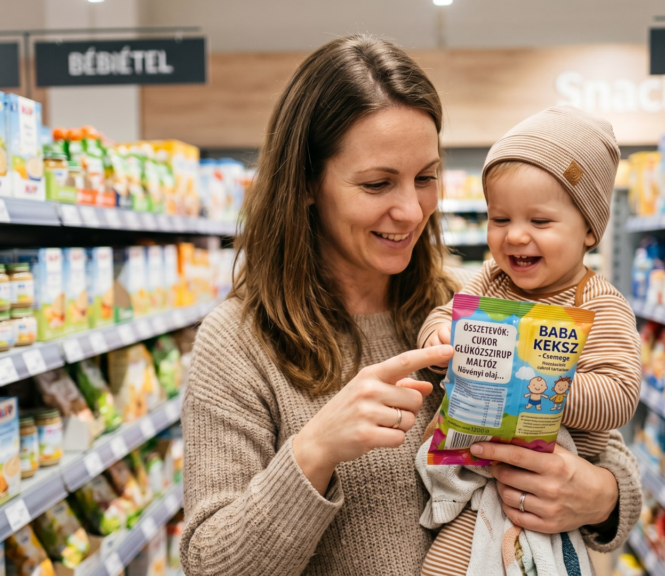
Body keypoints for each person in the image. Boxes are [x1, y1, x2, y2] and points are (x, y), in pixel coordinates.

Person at [179, 36, 641, 576]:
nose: (410, 210)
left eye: (426, 178)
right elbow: (208, 563)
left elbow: (604, 451)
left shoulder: (471, 301)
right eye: (377, 184)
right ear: (306, 183)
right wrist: (314, 451)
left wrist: (603, 500)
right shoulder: (238, 341)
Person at [417, 106, 641, 575]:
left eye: (539, 222)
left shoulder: (599, 304)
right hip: (480, 467)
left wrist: (538, 388)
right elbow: (443, 316)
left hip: (552, 478)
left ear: (590, 231)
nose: (516, 236)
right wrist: (441, 339)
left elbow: (619, 395)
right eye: (500, 219)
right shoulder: (489, 282)